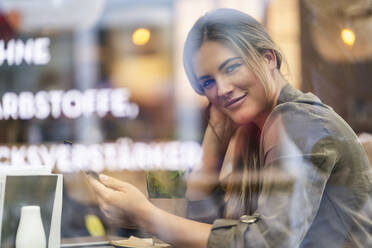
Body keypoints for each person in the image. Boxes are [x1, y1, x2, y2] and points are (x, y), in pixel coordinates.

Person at [88, 8, 372, 248]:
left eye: (231, 67)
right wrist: (214, 139)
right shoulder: (254, 131)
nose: (221, 89)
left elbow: (268, 243)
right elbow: (207, 231)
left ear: (268, 58)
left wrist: (145, 215)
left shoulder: (298, 120)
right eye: (208, 82)